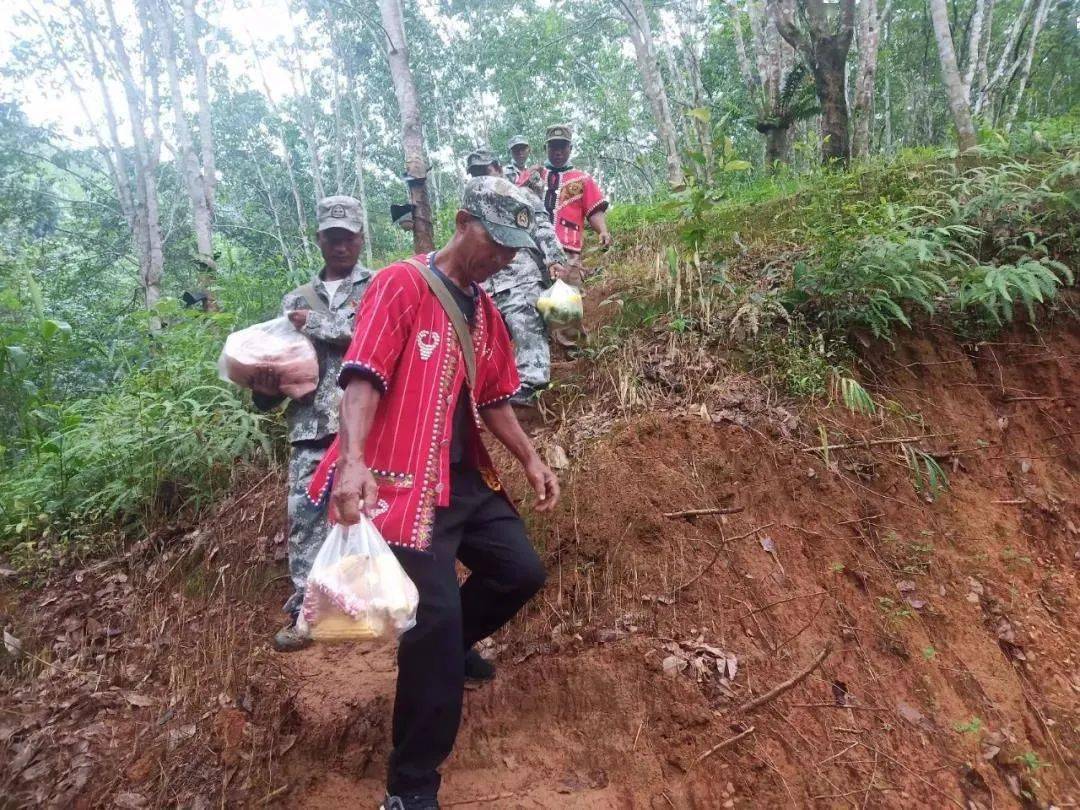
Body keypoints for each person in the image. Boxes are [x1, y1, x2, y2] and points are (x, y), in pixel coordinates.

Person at [305, 177, 560, 810]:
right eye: (496, 242)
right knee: (435, 619)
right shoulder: (401, 283)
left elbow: (496, 397)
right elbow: (361, 379)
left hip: (463, 477)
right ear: (463, 221)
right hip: (399, 482)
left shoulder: (487, 310)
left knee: (520, 571)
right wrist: (354, 464)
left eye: (512, 249)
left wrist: (530, 459)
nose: (502, 258)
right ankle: (410, 785)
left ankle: (452, 649)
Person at [251, 195, 373, 653]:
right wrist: (264, 387)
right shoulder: (295, 300)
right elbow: (284, 369)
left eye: (349, 237)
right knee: (304, 520)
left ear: (361, 238)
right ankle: (308, 611)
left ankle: (373, 606)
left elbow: (372, 339)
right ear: (320, 239)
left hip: (365, 427)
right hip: (309, 428)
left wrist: (317, 324)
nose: (341, 246)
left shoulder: (379, 287)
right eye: (332, 237)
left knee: (371, 517)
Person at [466, 148, 566, 405]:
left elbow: (542, 227)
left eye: (485, 171)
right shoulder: (471, 205)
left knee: (526, 326)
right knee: (484, 338)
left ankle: (533, 385)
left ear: (498, 169)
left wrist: (554, 258)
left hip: (521, 275)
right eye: (475, 173)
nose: (481, 178)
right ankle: (489, 391)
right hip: (488, 283)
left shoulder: (520, 195)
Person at [537, 124, 612, 346]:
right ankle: (542, 352)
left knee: (567, 300)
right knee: (534, 300)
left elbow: (594, 210)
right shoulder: (534, 176)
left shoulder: (582, 179)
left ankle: (574, 354)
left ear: (570, 148)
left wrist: (603, 231)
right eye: (553, 147)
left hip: (568, 250)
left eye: (562, 147)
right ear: (546, 148)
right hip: (534, 250)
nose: (558, 151)